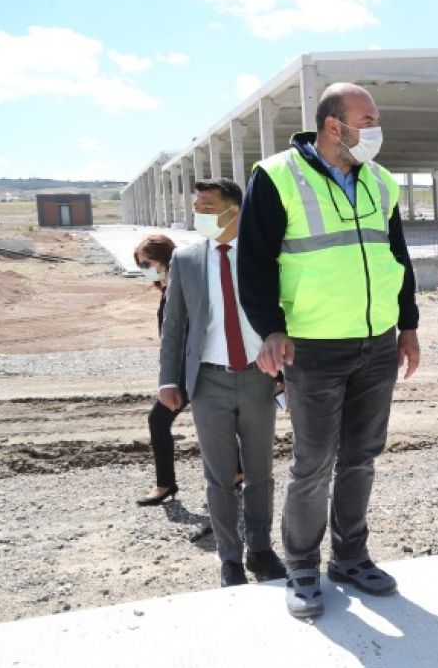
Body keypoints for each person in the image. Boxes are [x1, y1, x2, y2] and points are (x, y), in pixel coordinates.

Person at [238, 82, 421, 619]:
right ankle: (301, 565)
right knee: (313, 463)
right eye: (368, 120)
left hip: (377, 343)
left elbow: (398, 259)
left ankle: (350, 557)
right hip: (312, 347)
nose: (377, 129)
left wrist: (408, 326)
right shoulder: (277, 176)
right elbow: (254, 262)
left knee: (362, 457)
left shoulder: (380, 181)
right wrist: (271, 329)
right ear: (333, 126)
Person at [157, 178, 287, 588]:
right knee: (218, 477)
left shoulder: (263, 255)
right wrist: (168, 380)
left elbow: (287, 315)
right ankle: (229, 558)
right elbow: (174, 326)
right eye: (197, 207)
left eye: (208, 208)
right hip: (208, 382)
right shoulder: (186, 260)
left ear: (235, 211)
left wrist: (285, 372)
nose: (199, 214)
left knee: (260, 472)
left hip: (258, 378)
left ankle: (261, 550)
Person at [134, 234, 184, 506]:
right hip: (181, 368)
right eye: (141, 265)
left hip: (188, 369)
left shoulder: (180, 286)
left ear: (164, 258)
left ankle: (165, 484)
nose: (145, 270)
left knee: (158, 420)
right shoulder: (168, 288)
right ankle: (236, 472)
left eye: (147, 263)